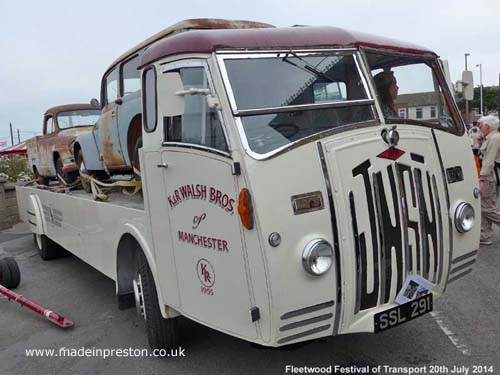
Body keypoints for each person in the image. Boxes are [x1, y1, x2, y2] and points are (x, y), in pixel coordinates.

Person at [478, 115, 500, 245]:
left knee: (487, 208)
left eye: (481, 125)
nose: (479, 128)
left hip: (491, 176)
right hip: (492, 175)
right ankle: (485, 235)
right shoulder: (492, 138)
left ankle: (485, 234)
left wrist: (482, 178)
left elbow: (488, 160)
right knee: (485, 204)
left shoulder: (494, 139)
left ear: (487, 126)